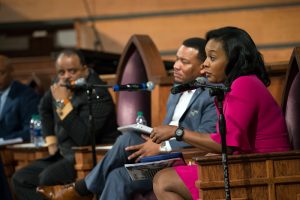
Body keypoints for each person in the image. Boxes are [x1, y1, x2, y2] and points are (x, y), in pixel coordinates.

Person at [36, 37, 218, 200]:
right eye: (177, 59)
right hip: (159, 160)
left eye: (184, 61)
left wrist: (162, 146)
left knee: (127, 139)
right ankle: (83, 188)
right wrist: (153, 139)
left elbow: (205, 137)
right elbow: (167, 129)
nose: (176, 65)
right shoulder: (176, 91)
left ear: (202, 66)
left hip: (182, 161)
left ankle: (81, 188)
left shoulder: (211, 95)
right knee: (118, 174)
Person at [152, 26, 291, 200]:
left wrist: (176, 132)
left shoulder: (244, 85)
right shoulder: (238, 84)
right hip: (251, 164)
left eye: (212, 58)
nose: (205, 64)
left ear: (233, 60)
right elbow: (226, 141)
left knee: (164, 181)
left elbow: (227, 144)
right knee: (165, 176)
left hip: (266, 168)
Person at [11, 49, 120, 200]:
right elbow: (44, 108)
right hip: (63, 153)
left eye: (72, 71)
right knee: (21, 179)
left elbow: (84, 138)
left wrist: (62, 103)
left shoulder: (97, 93)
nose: (66, 76)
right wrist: (51, 141)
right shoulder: (60, 85)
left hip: (88, 155)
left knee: (47, 179)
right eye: (61, 72)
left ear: (85, 69)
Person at [0, 55, 40, 141]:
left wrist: (4, 140)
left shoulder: (27, 95)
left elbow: (32, 130)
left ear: (11, 72)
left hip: (12, 150)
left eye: (1, 73)